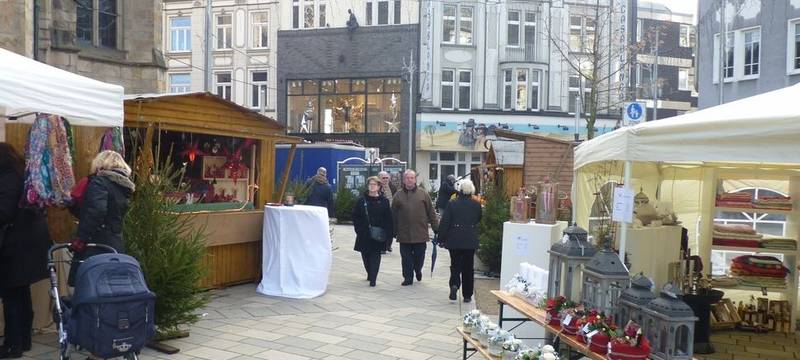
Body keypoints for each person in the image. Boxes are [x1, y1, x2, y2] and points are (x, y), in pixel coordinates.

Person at [0, 143, 52, 358]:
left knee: (12, 294)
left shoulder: (9, 178)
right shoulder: (24, 175)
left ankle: (13, 345)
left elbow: (4, 212)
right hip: (28, 247)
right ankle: (24, 340)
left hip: (16, 247)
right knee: (21, 294)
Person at [70, 150, 135, 285]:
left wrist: (81, 239)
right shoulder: (122, 187)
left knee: (89, 286)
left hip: (96, 245)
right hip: (115, 242)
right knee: (109, 287)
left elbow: (96, 212)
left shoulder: (99, 182)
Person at [437, 179, 482, 303]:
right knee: (468, 267)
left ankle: (455, 284)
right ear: (471, 190)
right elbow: (478, 219)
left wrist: (441, 238)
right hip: (469, 240)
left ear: (460, 190)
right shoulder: (476, 205)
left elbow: (445, 222)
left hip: (454, 239)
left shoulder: (452, 203)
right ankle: (467, 294)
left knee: (455, 264)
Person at [392, 170, 438, 286]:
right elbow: (393, 215)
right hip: (404, 233)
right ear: (404, 180)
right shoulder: (398, 195)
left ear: (415, 179)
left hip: (420, 233)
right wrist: (393, 231)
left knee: (419, 257)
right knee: (406, 258)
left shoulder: (423, 194)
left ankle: (418, 270)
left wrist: (436, 228)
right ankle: (408, 277)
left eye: (412, 178)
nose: (410, 180)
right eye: (407, 178)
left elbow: (431, 213)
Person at [352, 177, 393, 287]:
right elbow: (356, 216)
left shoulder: (384, 201)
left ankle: (373, 278)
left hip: (378, 234)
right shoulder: (361, 200)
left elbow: (388, 218)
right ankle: (370, 273)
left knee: (375, 255)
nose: (372, 186)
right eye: (370, 184)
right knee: (365, 256)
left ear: (379, 186)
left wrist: (389, 233)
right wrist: (358, 229)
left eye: (374, 184)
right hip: (364, 233)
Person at [378, 171, 397, 254]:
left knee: (390, 230)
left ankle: (388, 245)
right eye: (383, 178)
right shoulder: (377, 187)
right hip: (380, 212)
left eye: (387, 178)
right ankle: (382, 246)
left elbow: (396, 197)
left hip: (391, 211)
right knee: (382, 229)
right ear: (379, 179)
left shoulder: (392, 187)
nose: (385, 180)